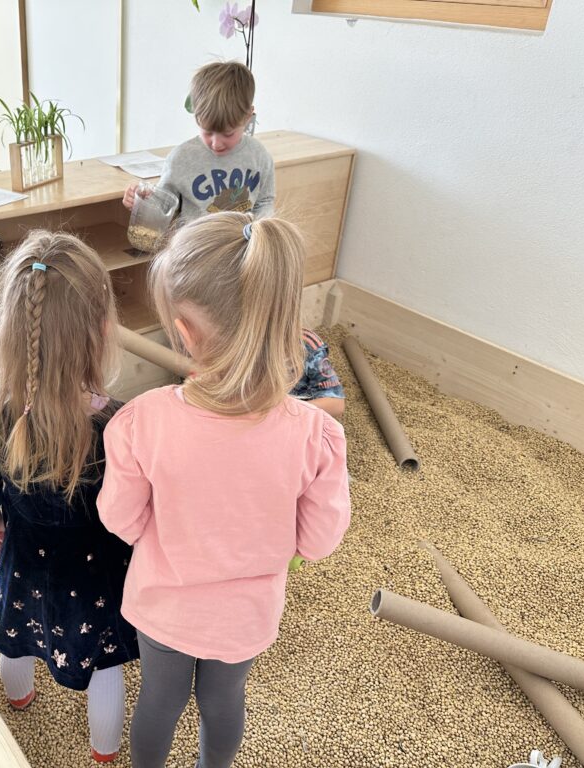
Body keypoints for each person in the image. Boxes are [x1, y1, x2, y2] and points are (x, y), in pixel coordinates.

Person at [97, 213, 352, 768]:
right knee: (223, 699)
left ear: (183, 333)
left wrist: (168, 534)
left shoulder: (142, 422)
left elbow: (120, 518)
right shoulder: (316, 433)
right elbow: (318, 541)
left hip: (164, 603)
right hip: (247, 614)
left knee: (159, 703)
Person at [0, 231, 138, 763]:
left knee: (15, 634)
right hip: (98, 572)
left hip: (26, 556)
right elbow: (132, 512)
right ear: (102, 329)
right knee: (105, 662)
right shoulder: (118, 421)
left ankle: (18, 698)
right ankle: (104, 751)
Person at [122, 61, 274, 226]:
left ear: (247, 117)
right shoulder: (182, 158)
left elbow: (265, 201)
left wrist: (258, 229)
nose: (216, 144)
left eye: (228, 134)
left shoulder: (259, 156)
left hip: (241, 246)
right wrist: (142, 202)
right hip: (194, 247)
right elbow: (163, 207)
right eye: (207, 132)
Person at [294, 329, 346, 420]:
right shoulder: (261, 342)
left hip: (298, 412)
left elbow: (337, 404)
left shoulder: (308, 347)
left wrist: (290, 412)